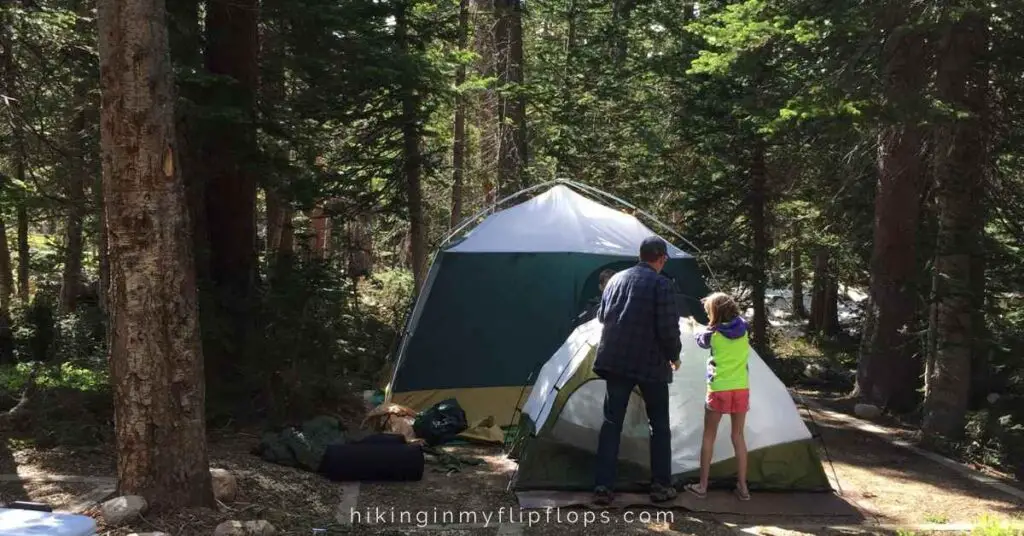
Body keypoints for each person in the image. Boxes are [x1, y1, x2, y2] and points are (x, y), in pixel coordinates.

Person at [591, 237, 681, 505]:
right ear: (661, 258)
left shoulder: (616, 280)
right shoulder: (662, 284)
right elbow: (668, 328)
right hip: (650, 364)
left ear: (639, 255)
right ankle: (660, 485)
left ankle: (603, 487)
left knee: (611, 423)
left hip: (615, 361)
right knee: (659, 426)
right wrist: (674, 356)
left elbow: (601, 316)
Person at [685, 292, 751, 501]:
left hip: (719, 389)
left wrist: (694, 325)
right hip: (741, 388)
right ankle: (743, 487)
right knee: (738, 436)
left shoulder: (711, 335)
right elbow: (736, 320)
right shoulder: (744, 329)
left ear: (715, 313)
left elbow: (700, 337)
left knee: (709, 435)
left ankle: (702, 486)